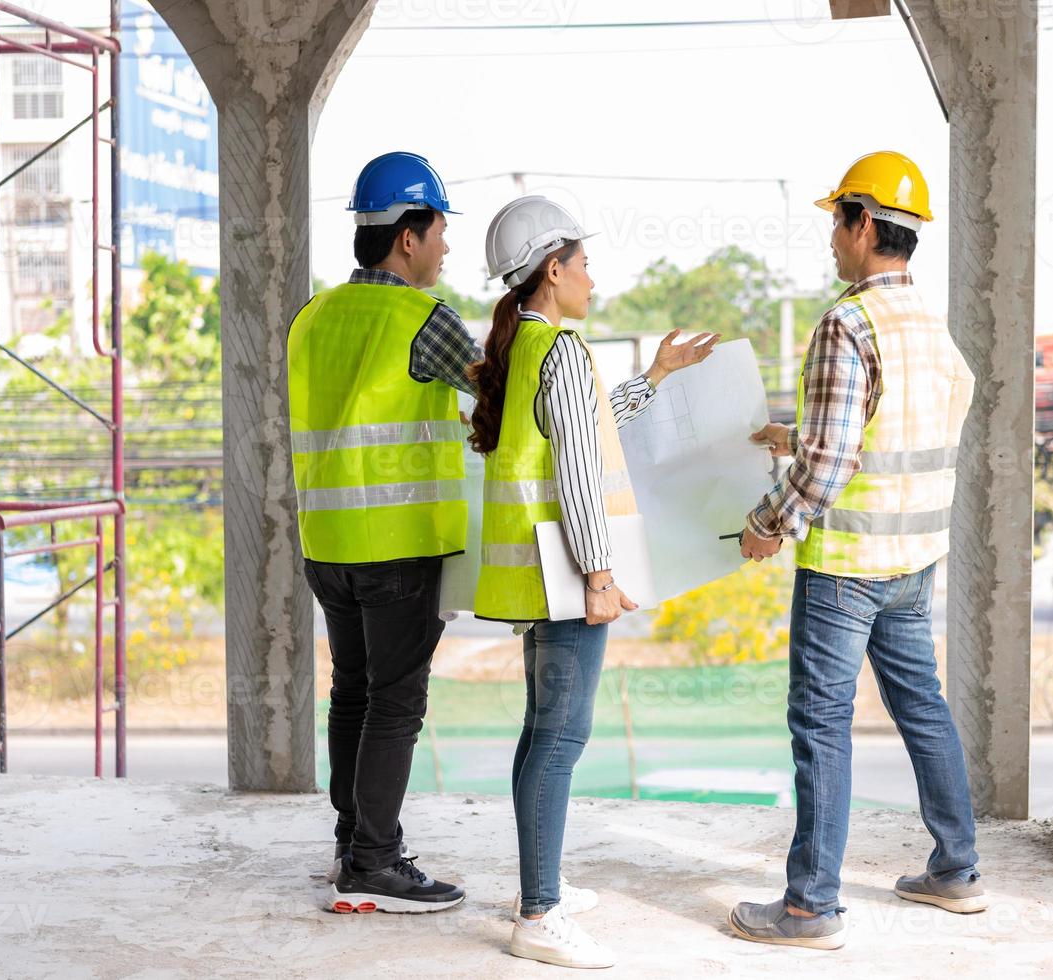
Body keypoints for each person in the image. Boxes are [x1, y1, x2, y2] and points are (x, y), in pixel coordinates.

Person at [728, 151, 981, 949]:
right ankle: (957, 870)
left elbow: (835, 464)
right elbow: (890, 434)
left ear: (864, 223)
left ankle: (810, 907)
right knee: (922, 708)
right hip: (913, 559)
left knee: (821, 724)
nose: (831, 239)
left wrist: (769, 521)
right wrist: (797, 437)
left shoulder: (848, 321)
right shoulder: (928, 327)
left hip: (846, 569)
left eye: (836, 220)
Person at [468, 195, 717, 968]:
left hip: (539, 572)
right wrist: (601, 577)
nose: (591, 275)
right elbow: (578, 472)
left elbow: (587, 426)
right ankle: (539, 913)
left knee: (541, 730)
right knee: (561, 737)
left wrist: (653, 375)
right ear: (552, 268)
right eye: (581, 262)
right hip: (569, 574)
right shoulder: (565, 352)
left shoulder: (533, 350)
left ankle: (537, 887)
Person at [286, 151, 481, 914]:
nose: (444, 247)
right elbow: (500, 390)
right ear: (408, 236)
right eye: (438, 232)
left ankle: (351, 840)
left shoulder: (314, 315)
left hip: (327, 547)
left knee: (355, 693)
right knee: (396, 703)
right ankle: (373, 861)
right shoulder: (422, 317)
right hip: (398, 547)